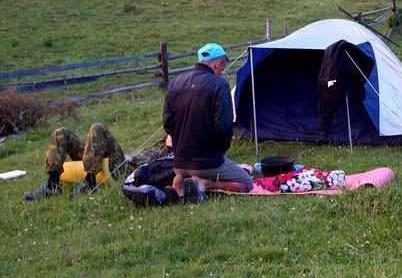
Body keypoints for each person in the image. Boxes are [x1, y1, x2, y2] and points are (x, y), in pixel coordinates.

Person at [163, 42, 253, 201]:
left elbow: (167, 124)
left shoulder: (175, 84)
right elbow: (223, 126)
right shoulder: (219, 85)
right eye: (223, 68)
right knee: (246, 182)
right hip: (207, 162)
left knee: (185, 171)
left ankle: (179, 183)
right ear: (218, 64)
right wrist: (221, 151)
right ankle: (204, 184)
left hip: (179, 162)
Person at [23, 124, 171, 201]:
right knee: (61, 133)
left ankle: (90, 182)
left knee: (98, 128)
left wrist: (172, 146)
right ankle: (52, 186)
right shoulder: (157, 145)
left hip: (126, 170)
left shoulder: (172, 154)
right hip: (117, 159)